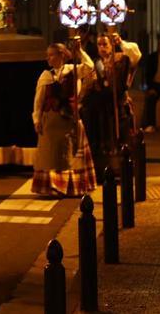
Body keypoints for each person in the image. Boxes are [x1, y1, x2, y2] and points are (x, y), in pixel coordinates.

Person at [32, 41, 97, 197]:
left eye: (52, 55)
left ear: (61, 55)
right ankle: (52, 187)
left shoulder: (73, 70)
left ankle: (68, 187)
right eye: (47, 56)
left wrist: (79, 51)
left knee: (68, 155)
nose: (48, 59)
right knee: (50, 155)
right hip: (50, 120)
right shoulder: (45, 76)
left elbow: (90, 67)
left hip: (68, 119)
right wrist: (36, 119)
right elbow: (38, 100)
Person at [85, 33, 130, 182]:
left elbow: (121, 83)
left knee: (118, 137)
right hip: (100, 108)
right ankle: (101, 170)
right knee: (100, 137)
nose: (102, 48)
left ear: (112, 45)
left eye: (105, 44)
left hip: (116, 105)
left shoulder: (121, 59)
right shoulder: (95, 62)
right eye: (99, 45)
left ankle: (120, 169)